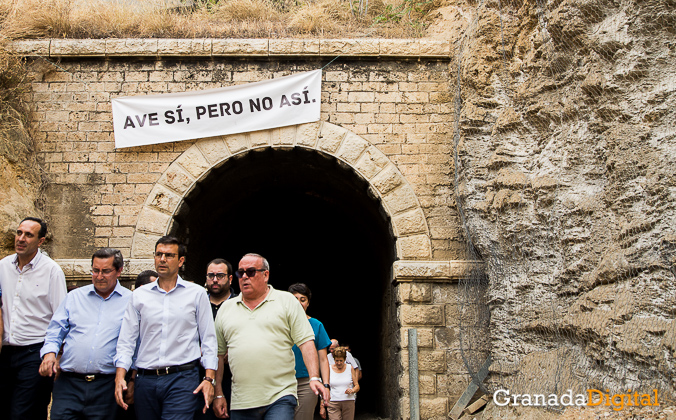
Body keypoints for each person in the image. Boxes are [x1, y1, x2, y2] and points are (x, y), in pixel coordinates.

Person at [213, 253, 329, 419]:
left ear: (265, 274)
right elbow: (217, 354)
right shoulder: (226, 309)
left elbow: (306, 342)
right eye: (241, 273)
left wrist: (314, 377)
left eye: (251, 272)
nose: (244, 276)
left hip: (280, 396)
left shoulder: (287, 301)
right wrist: (218, 394)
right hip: (241, 400)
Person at [114, 236, 218, 420]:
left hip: (182, 378)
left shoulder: (197, 294)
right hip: (145, 379)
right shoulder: (139, 295)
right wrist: (120, 376)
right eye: (158, 254)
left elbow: (208, 338)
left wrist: (209, 378)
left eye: (169, 255)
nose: (162, 259)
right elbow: (127, 339)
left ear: (181, 261)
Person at [39, 248, 133, 420]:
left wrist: (132, 379)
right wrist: (50, 354)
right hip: (69, 384)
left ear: (119, 271)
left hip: (106, 386)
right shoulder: (74, 297)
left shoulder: (131, 301)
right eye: (95, 270)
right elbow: (55, 330)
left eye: (106, 271)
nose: (99, 276)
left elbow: (135, 343)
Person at [0, 216, 67, 420]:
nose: (21, 238)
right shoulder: (2, 267)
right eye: (19, 233)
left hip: (35, 353)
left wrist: (55, 355)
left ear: (40, 241)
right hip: (6, 352)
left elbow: (61, 317)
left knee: (24, 413)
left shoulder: (52, 271)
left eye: (28, 235)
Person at [197, 258, 238, 420]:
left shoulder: (240, 303)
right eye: (210, 275)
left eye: (220, 275)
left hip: (233, 377)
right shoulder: (196, 304)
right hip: (198, 376)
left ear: (230, 278)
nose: (214, 280)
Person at [287, 283, 331, 420]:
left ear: (308, 303)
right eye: (295, 299)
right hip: (282, 381)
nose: (299, 303)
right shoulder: (279, 323)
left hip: (307, 383)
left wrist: (326, 385)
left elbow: (323, 359)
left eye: (303, 299)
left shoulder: (316, 325)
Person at [325, 347, 359, 420]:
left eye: (341, 360)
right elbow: (325, 386)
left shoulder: (350, 368)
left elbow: (357, 386)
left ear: (345, 359)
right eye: (337, 361)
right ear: (334, 359)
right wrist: (322, 403)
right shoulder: (329, 369)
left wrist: (352, 390)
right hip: (333, 401)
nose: (339, 363)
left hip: (348, 401)